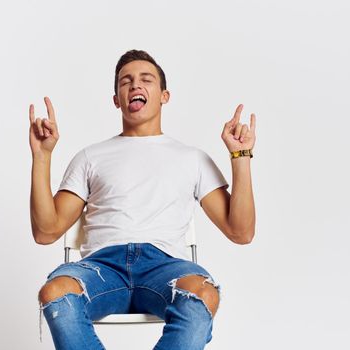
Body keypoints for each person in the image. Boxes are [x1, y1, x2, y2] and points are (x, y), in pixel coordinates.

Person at [28, 49, 256, 349]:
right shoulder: (90, 156)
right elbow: (46, 231)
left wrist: (240, 156)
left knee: (203, 294)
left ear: (164, 95)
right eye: (126, 81)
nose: (135, 85)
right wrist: (42, 156)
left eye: (146, 79)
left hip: (164, 267)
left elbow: (241, 232)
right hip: (101, 268)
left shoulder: (192, 158)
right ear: (116, 99)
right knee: (55, 292)